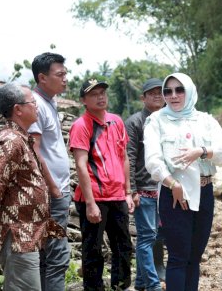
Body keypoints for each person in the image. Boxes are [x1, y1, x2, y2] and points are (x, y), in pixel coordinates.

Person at [144, 73, 222, 291]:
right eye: (168, 91)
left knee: (195, 257)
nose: (173, 95)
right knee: (178, 256)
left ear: (190, 91)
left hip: (204, 191)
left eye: (179, 90)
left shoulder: (205, 120)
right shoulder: (156, 121)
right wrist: (172, 184)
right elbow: (153, 160)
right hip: (174, 194)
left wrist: (202, 151)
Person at [0, 83, 64, 291]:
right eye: (33, 102)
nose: (37, 107)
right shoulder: (11, 141)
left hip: (25, 236)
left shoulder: (22, 140)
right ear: (18, 109)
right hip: (16, 236)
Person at [69, 79, 134, 291]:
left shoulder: (117, 121)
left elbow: (124, 157)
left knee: (123, 247)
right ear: (83, 100)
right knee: (93, 251)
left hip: (117, 196)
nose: (101, 96)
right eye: (94, 93)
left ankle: (120, 286)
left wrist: (128, 192)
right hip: (94, 198)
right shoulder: (81, 126)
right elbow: (80, 164)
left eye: (103, 92)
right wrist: (90, 204)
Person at [28, 52, 71, 291]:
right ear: (42, 78)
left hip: (56, 191)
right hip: (52, 194)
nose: (65, 78)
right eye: (60, 74)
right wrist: (53, 187)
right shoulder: (36, 105)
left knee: (48, 256)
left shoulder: (49, 101)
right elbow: (34, 151)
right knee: (57, 257)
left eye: (65, 73)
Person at [125, 78, 166, 291]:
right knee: (147, 236)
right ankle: (152, 285)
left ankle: (140, 282)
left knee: (156, 236)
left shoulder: (169, 119)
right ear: (143, 98)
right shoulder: (135, 122)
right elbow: (129, 158)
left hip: (165, 187)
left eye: (161, 91)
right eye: (152, 93)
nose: (157, 95)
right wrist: (132, 190)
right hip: (144, 188)